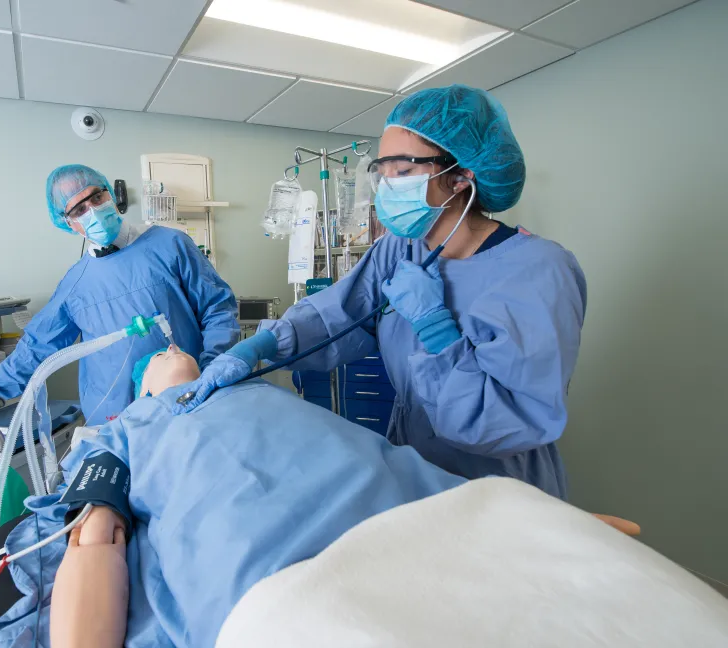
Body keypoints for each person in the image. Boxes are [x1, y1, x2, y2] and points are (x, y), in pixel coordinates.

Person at [176, 84, 587, 499]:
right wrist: (261, 346)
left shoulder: (538, 272)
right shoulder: (400, 248)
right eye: (382, 170)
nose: (385, 187)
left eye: (403, 171)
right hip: (416, 474)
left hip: (501, 491)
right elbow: (337, 315)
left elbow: (501, 426)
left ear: (461, 178)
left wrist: (436, 329)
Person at [0, 347, 466, 648]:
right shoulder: (129, 426)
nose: (170, 352)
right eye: (157, 355)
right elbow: (94, 539)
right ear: (142, 388)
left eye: (174, 349)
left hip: (413, 511)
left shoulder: (256, 388)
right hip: (274, 563)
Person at [0, 164, 239, 425]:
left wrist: (212, 368)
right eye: (79, 209)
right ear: (69, 223)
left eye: (96, 197)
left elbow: (217, 309)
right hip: (113, 415)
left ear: (110, 194)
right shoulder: (76, 284)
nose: (92, 210)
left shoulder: (170, 244)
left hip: (187, 398)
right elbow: (39, 345)